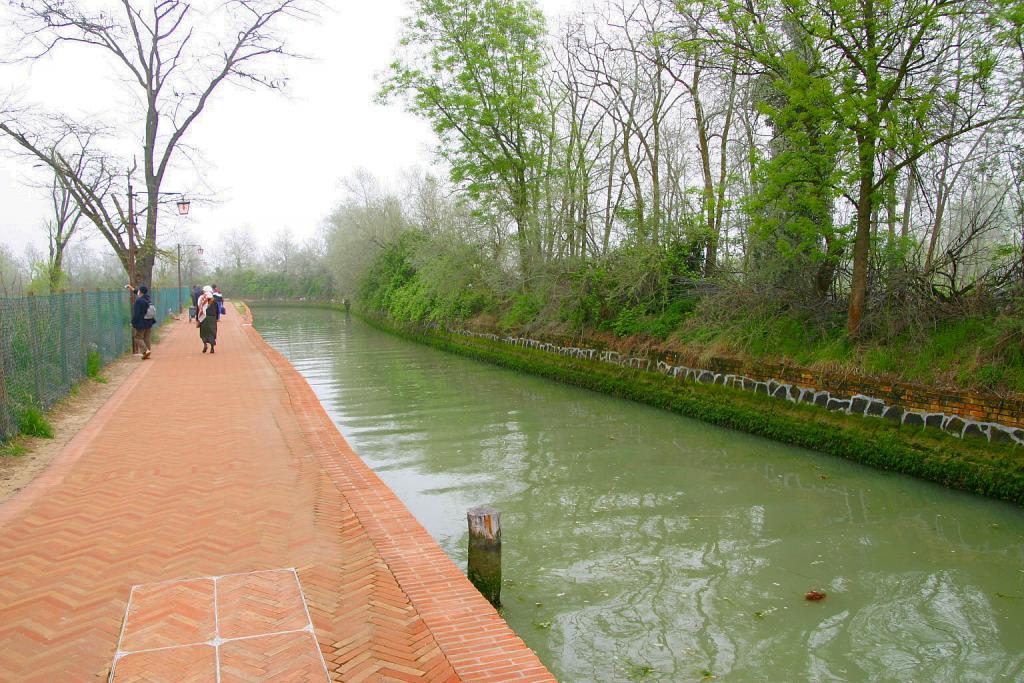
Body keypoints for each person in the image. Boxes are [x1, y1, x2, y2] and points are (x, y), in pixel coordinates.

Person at [131, 285, 156, 360]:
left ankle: (146, 351)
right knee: (146, 338)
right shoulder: (148, 299)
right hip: (149, 322)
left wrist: (133, 322)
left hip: (142, 323)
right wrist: (131, 288)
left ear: (140, 292)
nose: (137, 291)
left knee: (138, 338)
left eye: (138, 290)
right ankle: (147, 354)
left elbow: (137, 314)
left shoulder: (139, 301)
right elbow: (138, 292)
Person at [196, 285, 220, 353]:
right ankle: (212, 348)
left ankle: (205, 344)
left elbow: (198, 309)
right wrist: (217, 318)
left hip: (203, 318)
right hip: (212, 318)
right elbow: (217, 310)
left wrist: (197, 319)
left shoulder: (201, 298)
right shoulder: (213, 300)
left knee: (204, 332)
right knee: (212, 332)